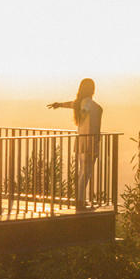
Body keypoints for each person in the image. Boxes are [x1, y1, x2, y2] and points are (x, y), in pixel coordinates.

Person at [47, 78, 103, 210]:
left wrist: (58, 104)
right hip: (90, 141)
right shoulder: (87, 103)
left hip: (82, 140)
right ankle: (80, 201)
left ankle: (80, 199)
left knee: (82, 172)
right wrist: (83, 113)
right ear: (92, 89)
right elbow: (84, 108)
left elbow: (72, 104)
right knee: (86, 172)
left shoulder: (80, 102)